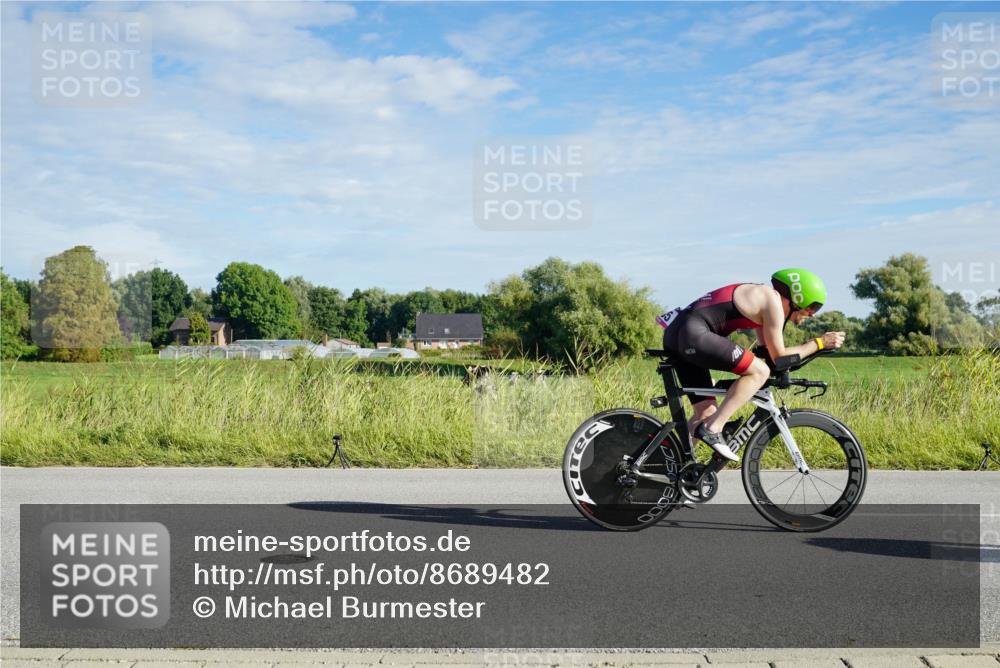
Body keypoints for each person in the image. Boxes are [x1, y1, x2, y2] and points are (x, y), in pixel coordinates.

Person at [657, 268, 845, 462]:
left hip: (677, 334)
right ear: (797, 298)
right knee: (758, 372)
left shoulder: (763, 301)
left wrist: (788, 366)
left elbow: (771, 358)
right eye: (813, 307)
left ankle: (666, 466)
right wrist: (819, 343)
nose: (813, 315)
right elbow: (779, 357)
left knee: (706, 413)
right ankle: (714, 429)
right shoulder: (772, 300)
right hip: (694, 334)